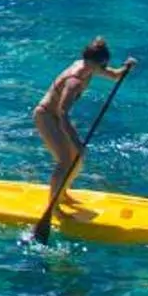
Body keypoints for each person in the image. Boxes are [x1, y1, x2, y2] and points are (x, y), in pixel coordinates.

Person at [35, 38, 135, 212]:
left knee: (76, 159)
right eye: (102, 66)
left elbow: (114, 75)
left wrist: (126, 68)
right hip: (46, 116)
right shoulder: (74, 81)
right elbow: (62, 112)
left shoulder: (89, 68)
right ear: (91, 62)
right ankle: (52, 206)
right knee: (65, 159)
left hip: (57, 116)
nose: (104, 69)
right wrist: (76, 142)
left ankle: (62, 193)